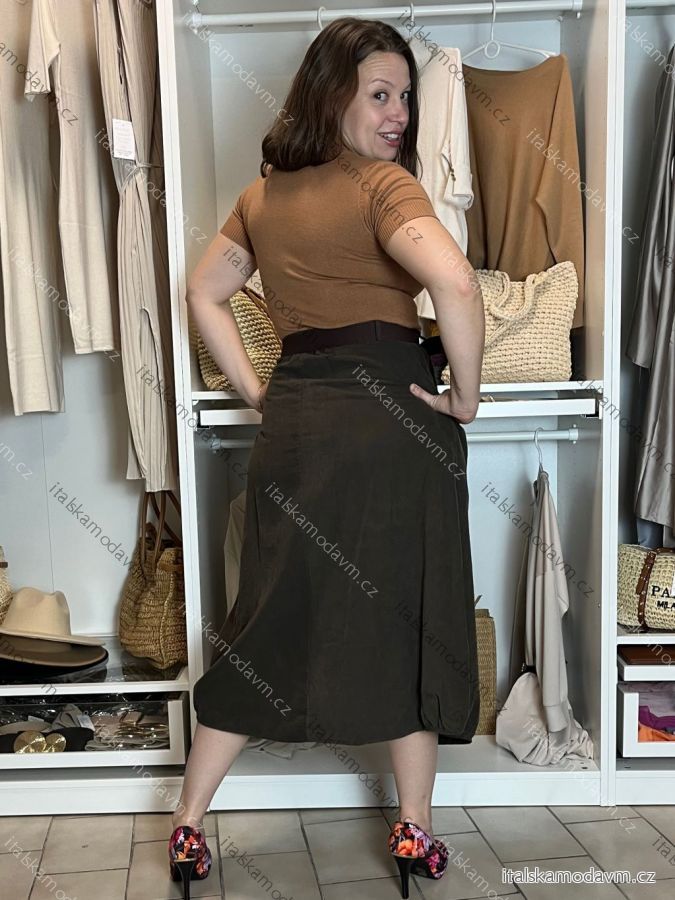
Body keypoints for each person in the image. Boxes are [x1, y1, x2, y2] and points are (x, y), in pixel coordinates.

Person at [168, 16, 485, 900]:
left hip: (298, 423)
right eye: (378, 95)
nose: (397, 114)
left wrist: (256, 389)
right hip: (390, 423)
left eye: (404, 96)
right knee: (406, 621)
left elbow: (202, 292)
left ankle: (187, 824)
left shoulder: (260, 198)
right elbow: (456, 283)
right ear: (330, 96)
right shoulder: (384, 186)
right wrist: (464, 399)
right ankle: (413, 833)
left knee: (267, 617)